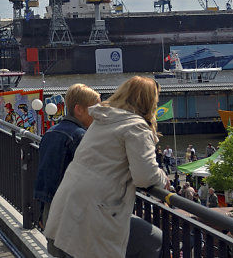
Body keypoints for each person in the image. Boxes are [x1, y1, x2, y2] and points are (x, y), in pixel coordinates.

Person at [44, 76, 169, 258]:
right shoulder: (136, 127)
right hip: (94, 215)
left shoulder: (103, 119)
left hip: (68, 209)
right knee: (153, 240)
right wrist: (163, 178)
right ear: (149, 102)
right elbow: (145, 176)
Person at [33, 84, 100, 254]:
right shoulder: (80, 136)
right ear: (79, 110)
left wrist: (41, 212)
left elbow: (44, 175)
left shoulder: (50, 133)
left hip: (50, 209)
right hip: (71, 213)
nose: (98, 115)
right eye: (95, 109)